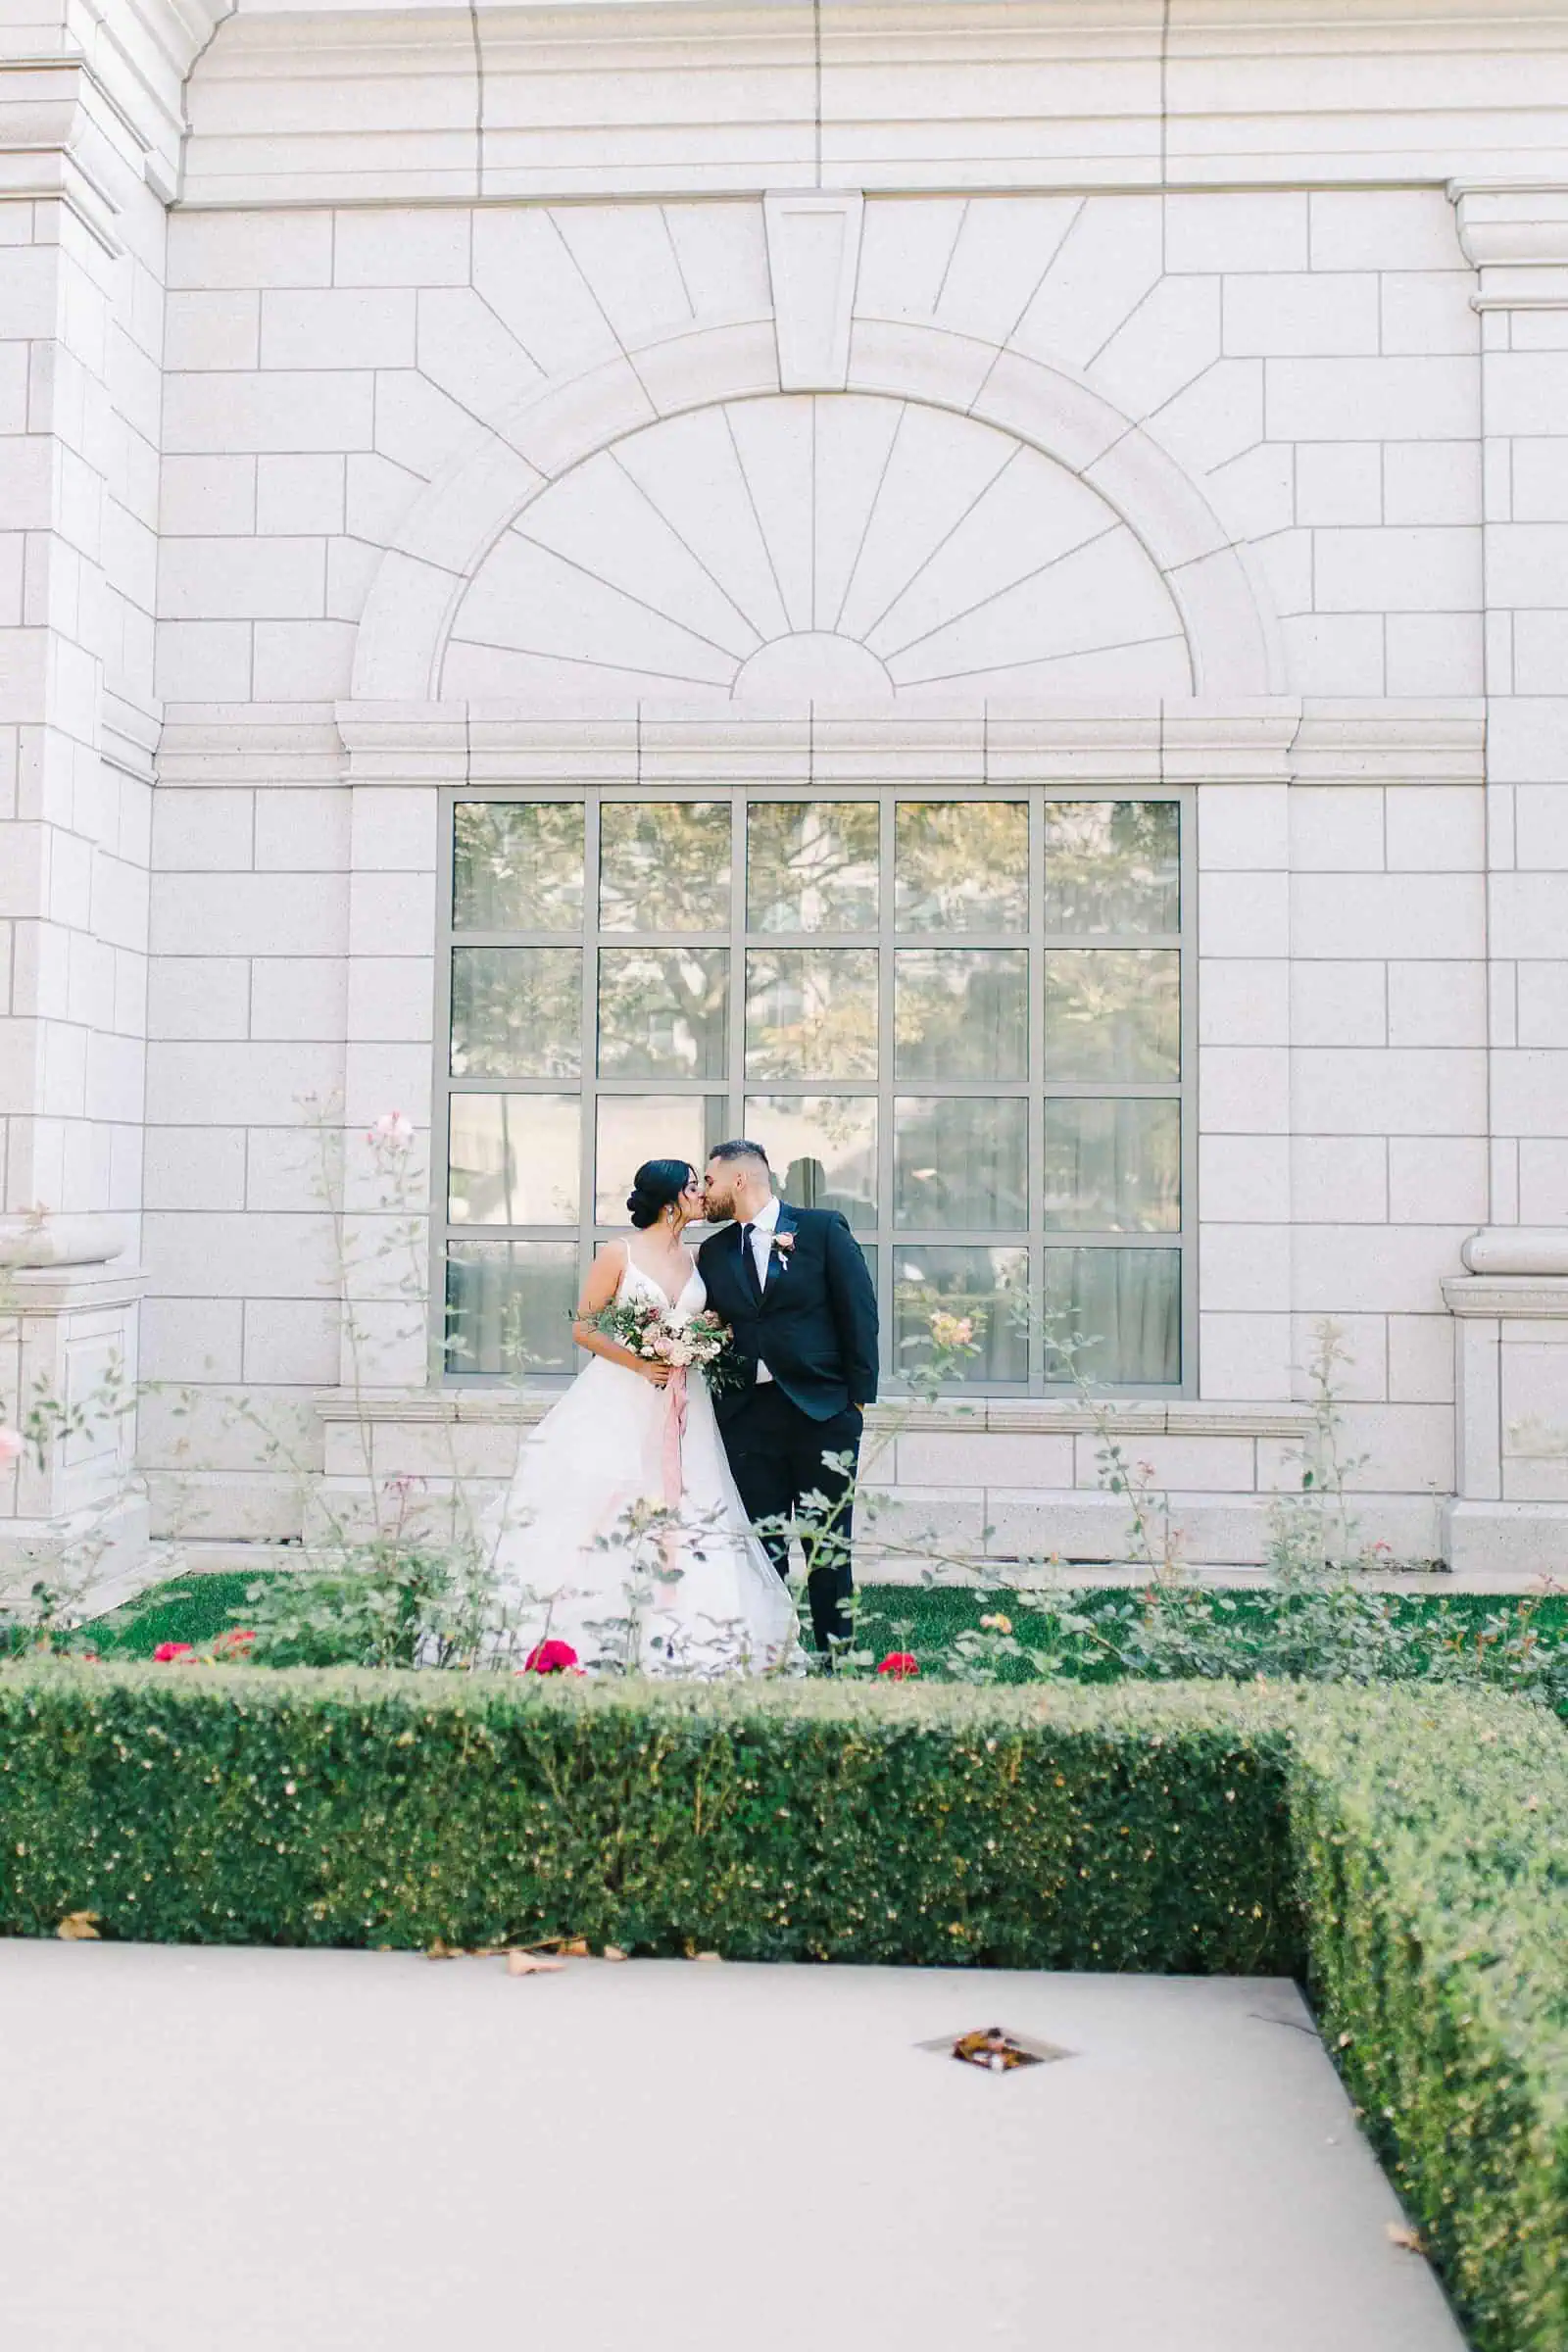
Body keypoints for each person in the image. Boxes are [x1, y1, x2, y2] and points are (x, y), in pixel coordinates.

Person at [484, 1158, 798, 1677]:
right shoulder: (618, 1253)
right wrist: (642, 1362)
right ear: (672, 1198)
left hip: (684, 1403)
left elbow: (717, 1318)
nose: (703, 1195)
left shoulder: (699, 1258)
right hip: (623, 1397)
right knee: (610, 1500)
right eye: (695, 1187)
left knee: (694, 1503)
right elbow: (583, 1327)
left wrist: (699, 1344)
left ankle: (696, 1633)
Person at [698, 1140, 879, 1655]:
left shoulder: (821, 1229)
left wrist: (857, 1403)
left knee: (827, 1545)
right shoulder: (714, 1252)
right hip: (748, 1418)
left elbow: (859, 1315)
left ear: (739, 1179)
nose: (704, 1191)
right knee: (762, 1545)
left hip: (822, 1412)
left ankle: (835, 1657)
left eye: (709, 1180)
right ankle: (773, 1653)